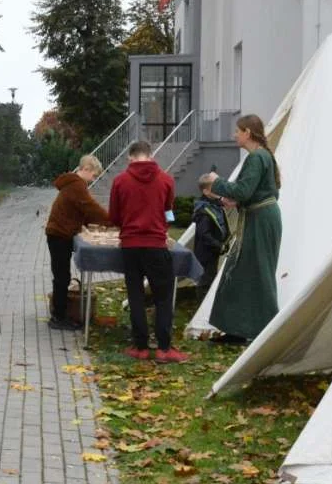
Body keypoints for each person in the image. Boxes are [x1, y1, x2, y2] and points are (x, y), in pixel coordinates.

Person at [108, 140, 188, 363]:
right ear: (151, 155)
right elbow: (169, 211)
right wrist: (164, 228)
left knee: (135, 295)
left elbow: (114, 216)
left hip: (130, 246)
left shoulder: (120, 181)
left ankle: (140, 346)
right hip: (156, 244)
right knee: (163, 297)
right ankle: (164, 348)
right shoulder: (166, 179)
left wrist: (126, 224)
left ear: (130, 157)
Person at [204, 114, 282, 343]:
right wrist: (237, 202)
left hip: (261, 220)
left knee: (258, 273)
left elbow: (243, 190)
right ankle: (238, 330)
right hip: (258, 217)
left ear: (248, 132)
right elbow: (250, 193)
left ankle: (265, 330)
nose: (234, 135)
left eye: (237, 131)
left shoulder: (257, 157)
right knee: (242, 272)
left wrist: (216, 181)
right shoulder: (261, 156)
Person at [44, 154, 109, 330]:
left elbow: (82, 211)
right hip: (59, 234)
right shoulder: (77, 186)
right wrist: (113, 220)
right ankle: (58, 318)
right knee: (62, 276)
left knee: (62, 275)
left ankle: (60, 313)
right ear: (86, 169)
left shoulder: (74, 184)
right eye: (94, 175)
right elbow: (91, 208)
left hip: (59, 233)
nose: (94, 179)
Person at [193, 173, 230, 297]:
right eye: (215, 187)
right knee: (205, 281)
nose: (219, 189)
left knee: (212, 277)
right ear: (206, 191)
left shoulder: (216, 205)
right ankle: (202, 305)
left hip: (213, 251)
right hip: (205, 253)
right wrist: (218, 245)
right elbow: (204, 234)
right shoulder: (204, 211)